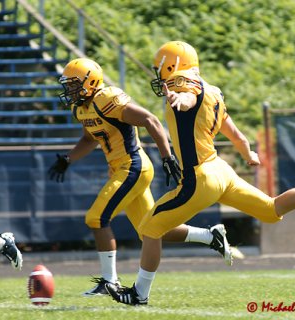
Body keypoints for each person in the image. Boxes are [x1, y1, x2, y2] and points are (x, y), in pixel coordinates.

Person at [106, 40, 295, 305]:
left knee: (149, 229)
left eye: (160, 68)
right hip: (221, 171)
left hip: (200, 177)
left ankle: (139, 293)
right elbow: (235, 134)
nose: (159, 75)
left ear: (173, 64)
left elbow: (188, 96)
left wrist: (180, 99)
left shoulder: (180, 81)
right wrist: (248, 154)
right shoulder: (214, 92)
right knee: (270, 209)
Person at [48, 58, 233, 297]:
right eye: (68, 85)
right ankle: (210, 236)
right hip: (120, 169)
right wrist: (69, 158)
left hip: (133, 167)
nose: (70, 90)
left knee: (96, 218)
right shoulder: (81, 107)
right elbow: (89, 138)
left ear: (91, 82)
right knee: (150, 231)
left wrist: (167, 157)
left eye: (74, 85)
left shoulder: (107, 99)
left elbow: (150, 120)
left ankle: (109, 281)